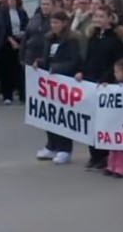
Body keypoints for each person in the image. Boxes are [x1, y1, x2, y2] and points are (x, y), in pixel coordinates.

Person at [76, 5, 123, 171]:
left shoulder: (115, 40)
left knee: (105, 122)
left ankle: (106, 155)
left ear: (109, 19)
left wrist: (107, 79)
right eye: (96, 16)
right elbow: (88, 58)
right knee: (91, 121)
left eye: (101, 16)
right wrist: (81, 72)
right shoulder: (93, 37)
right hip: (91, 84)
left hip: (107, 85)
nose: (97, 19)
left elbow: (118, 63)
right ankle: (94, 155)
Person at [33, 10, 83, 165]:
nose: (53, 25)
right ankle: (52, 145)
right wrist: (40, 63)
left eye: (56, 23)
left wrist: (57, 68)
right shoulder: (49, 39)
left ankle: (65, 149)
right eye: (52, 22)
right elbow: (48, 59)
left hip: (64, 82)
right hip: (50, 83)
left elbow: (74, 61)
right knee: (50, 115)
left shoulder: (71, 40)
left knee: (63, 117)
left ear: (64, 23)